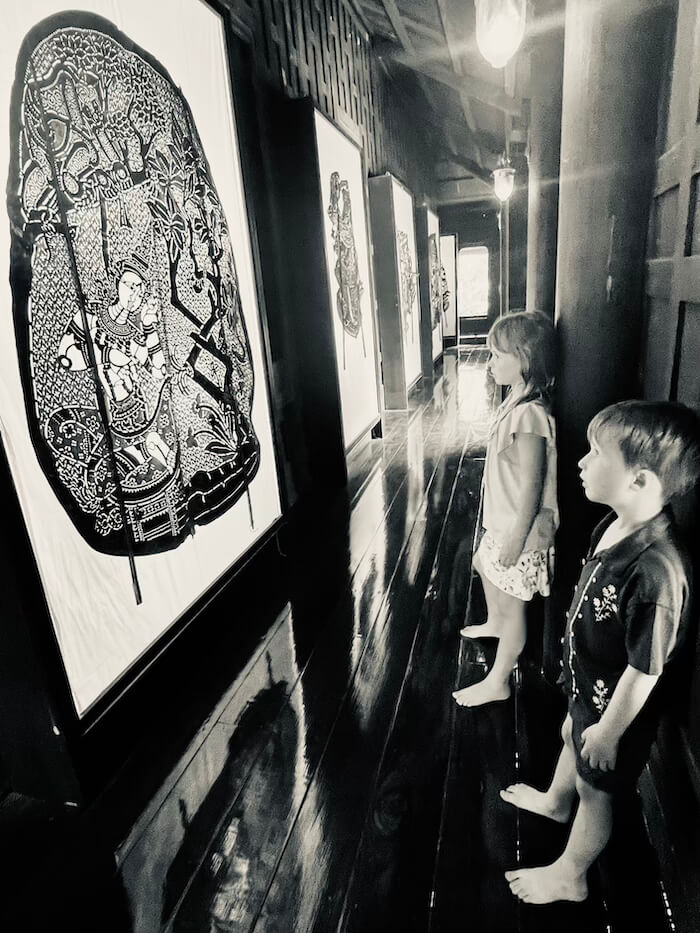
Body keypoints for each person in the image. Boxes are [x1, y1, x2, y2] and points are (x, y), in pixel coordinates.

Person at [501, 400, 700, 904]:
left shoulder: (658, 571)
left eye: (596, 454)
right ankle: (555, 800)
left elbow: (644, 670)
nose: (581, 463)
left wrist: (610, 733)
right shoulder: (614, 525)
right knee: (572, 735)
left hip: (618, 712)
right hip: (589, 689)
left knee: (598, 790)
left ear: (640, 481)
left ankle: (572, 872)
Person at [453, 310, 557, 707]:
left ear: (525, 358)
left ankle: (499, 679)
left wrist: (516, 535)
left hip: (522, 528)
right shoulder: (517, 399)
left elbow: (532, 482)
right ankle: (494, 622)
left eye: (497, 355)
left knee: (516, 607)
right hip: (503, 519)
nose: (490, 363)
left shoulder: (530, 414)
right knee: (482, 562)